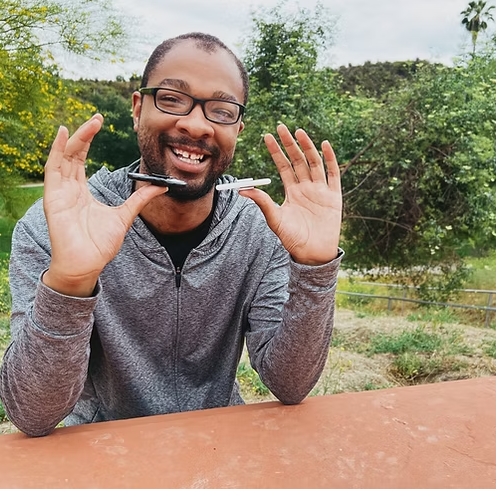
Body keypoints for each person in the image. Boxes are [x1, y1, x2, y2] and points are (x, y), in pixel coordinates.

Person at [0, 32, 343, 437]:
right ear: (137, 108)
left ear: (237, 128)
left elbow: (290, 384)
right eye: (172, 99)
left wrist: (315, 268)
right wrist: (70, 282)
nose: (196, 124)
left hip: (219, 445)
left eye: (221, 109)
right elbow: (32, 415)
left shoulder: (261, 231)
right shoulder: (56, 227)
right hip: (103, 451)